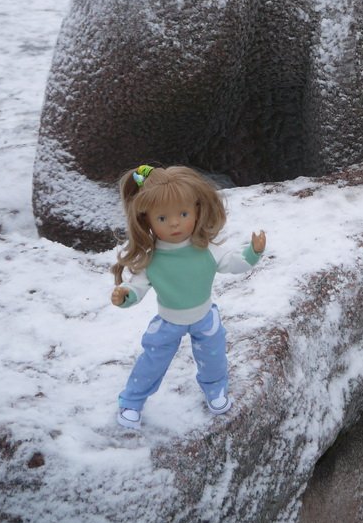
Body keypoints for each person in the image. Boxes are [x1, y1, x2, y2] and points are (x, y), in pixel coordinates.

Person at [110, 163, 266, 430]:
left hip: (205, 317)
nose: (174, 223)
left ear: (197, 210)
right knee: (152, 362)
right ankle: (132, 400)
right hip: (168, 321)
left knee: (214, 359)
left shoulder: (205, 249)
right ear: (147, 220)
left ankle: (215, 389)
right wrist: (125, 295)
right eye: (162, 218)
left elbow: (234, 263)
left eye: (183, 214)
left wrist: (253, 252)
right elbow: (138, 287)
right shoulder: (152, 259)